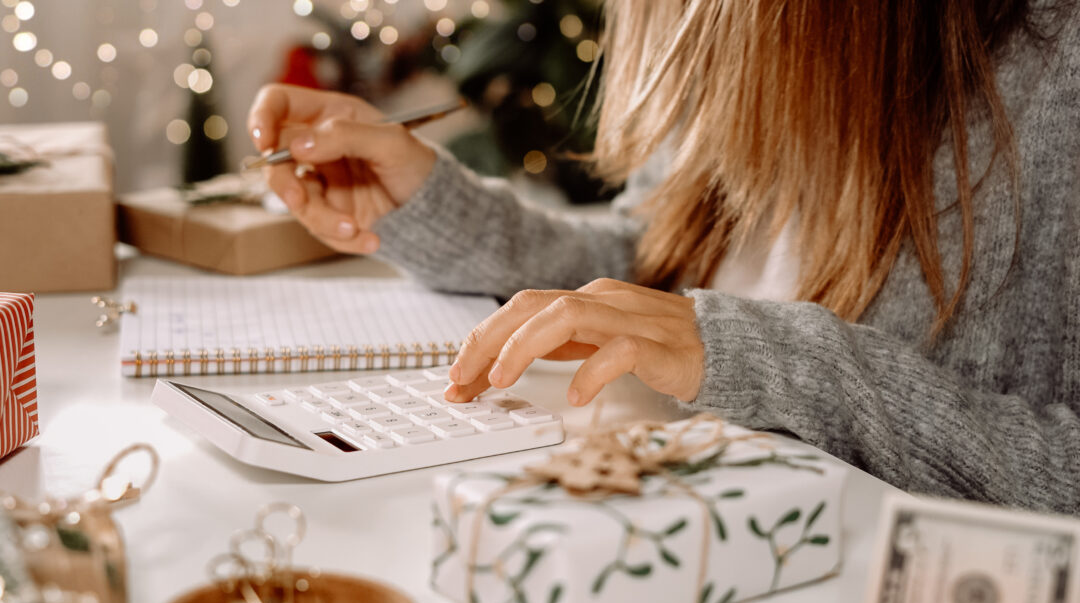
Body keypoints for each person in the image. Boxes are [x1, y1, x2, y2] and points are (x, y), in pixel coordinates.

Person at [248, 0, 1080, 514]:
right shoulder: (728, 36)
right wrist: (428, 199)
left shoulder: (1055, 76)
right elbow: (649, 267)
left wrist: (756, 356)